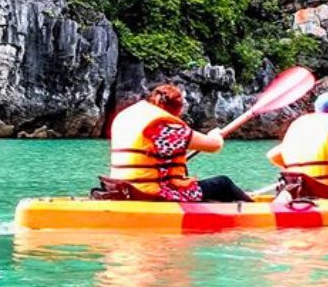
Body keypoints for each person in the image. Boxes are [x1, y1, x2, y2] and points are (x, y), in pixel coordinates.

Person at [107, 83, 252, 202]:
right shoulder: (165, 126)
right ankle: (255, 211)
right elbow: (214, 145)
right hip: (153, 193)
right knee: (223, 183)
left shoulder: (128, 116)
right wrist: (215, 135)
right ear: (176, 110)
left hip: (125, 188)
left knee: (210, 189)